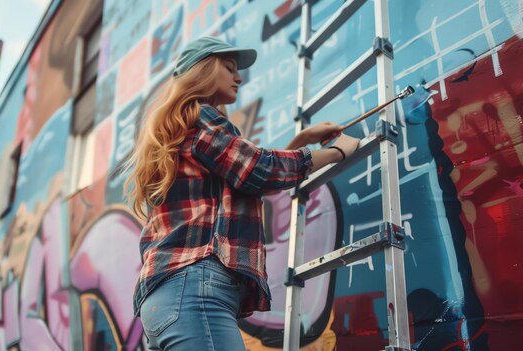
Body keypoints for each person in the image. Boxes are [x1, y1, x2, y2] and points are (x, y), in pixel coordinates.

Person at [122, 36, 360, 350]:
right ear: (203, 70)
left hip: (163, 299)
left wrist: (298, 144)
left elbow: (242, 182)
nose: (239, 77)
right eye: (229, 67)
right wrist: (336, 152)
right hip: (194, 289)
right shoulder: (201, 116)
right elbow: (257, 170)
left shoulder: (180, 126)